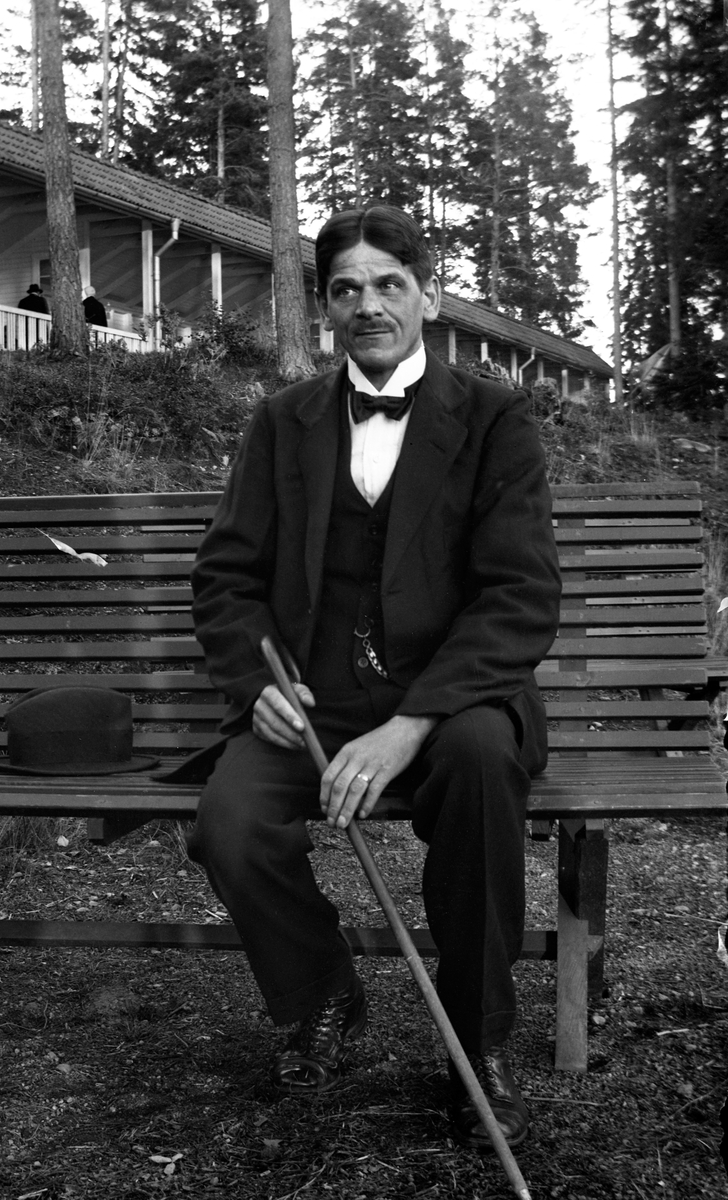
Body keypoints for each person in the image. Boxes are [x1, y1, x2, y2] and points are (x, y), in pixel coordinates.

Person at [182, 205, 561, 1150]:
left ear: (428, 296)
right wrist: (256, 683)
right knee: (229, 820)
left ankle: (476, 1046)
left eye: (389, 283)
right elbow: (226, 579)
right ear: (326, 307)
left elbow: (518, 595)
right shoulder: (282, 422)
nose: (368, 305)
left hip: (454, 701)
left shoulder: (495, 418)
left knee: (481, 768)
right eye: (346, 288)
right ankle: (321, 993)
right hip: (314, 701)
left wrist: (412, 723)